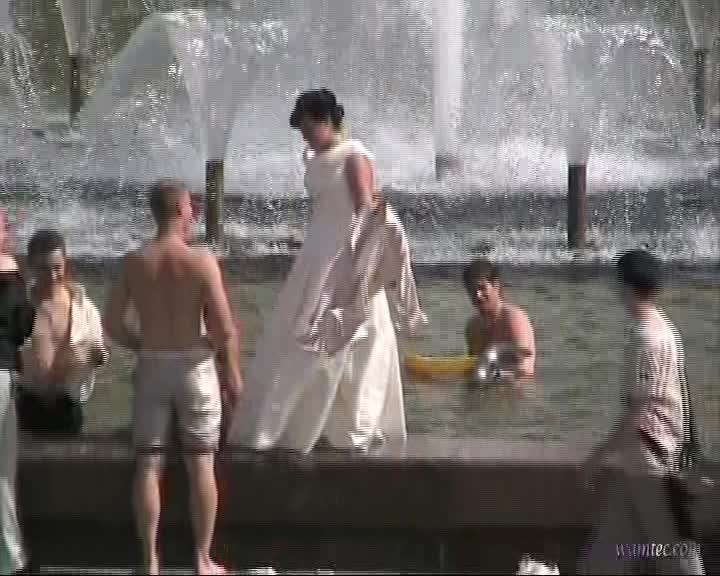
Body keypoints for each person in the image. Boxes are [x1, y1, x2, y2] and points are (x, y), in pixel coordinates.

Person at [228, 88, 426, 454]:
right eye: (301, 131)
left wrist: (364, 263)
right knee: (302, 336)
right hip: (317, 253)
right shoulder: (318, 157)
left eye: (308, 129)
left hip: (344, 257)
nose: (304, 138)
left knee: (355, 338)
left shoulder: (354, 156)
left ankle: (352, 426)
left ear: (326, 121)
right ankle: (295, 422)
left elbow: (366, 209)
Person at [103, 180, 242, 575]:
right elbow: (224, 327)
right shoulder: (202, 261)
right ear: (182, 210)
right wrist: (226, 365)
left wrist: (142, 342)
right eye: (191, 207)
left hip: (152, 364)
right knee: (201, 463)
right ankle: (202, 558)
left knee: (149, 465)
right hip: (194, 368)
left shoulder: (135, 261)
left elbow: (112, 323)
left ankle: (149, 560)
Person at [577, 249, 704, 574]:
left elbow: (639, 410)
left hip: (652, 460)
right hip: (647, 457)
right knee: (608, 557)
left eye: (617, 281)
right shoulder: (664, 326)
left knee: (675, 556)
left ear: (627, 287)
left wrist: (599, 455)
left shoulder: (646, 338)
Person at [16, 229, 108, 436]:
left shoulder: (85, 309)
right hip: (24, 404)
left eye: (57, 268)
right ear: (30, 266)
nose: (52, 276)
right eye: (43, 269)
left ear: (66, 263)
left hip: (69, 406)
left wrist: (99, 355)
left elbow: (99, 356)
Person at [0, 210, 34, 574]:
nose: (9, 230)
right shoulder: (9, 277)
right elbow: (23, 328)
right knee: (2, 472)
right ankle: (9, 559)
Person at [463, 259, 535, 383]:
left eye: (482, 288)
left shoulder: (514, 318)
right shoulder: (472, 327)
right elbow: (472, 366)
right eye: (472, 290)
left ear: (495, 285)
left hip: (518, 391)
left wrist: (489, 362)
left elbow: (524, 370)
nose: (477, 295)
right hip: (486, 387)